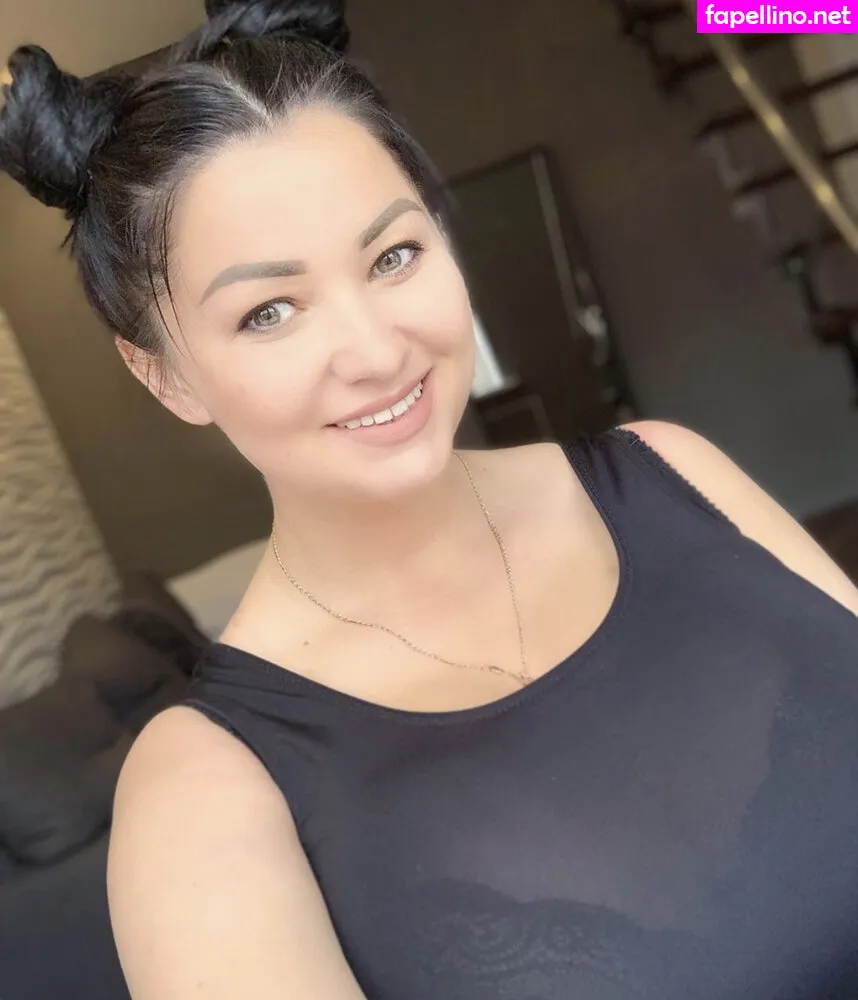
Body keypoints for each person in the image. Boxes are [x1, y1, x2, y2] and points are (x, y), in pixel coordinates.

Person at [2, 2, 857, 997]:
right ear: (165, 376)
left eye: (393, 255)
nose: (374, 351)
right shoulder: (206, 796)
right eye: (268, 311)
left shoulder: (672, 471)